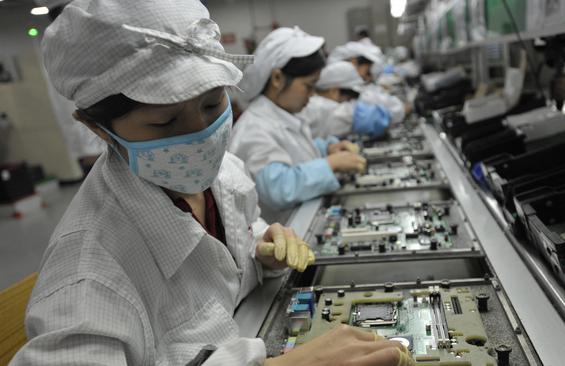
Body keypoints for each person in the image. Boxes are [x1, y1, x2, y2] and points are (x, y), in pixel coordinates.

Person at [9, 1, 411, 366]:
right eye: (165, 122)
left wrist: (260, 252)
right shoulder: (86, 279)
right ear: (97, 127)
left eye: (212, 104)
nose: (201, 134)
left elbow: (223, 262)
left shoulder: (221, 172)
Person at [229, 27, 366, 224]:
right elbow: (278, 188)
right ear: (277, 78)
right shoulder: (255, 128)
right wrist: (330, 164)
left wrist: (326, 149)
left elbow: (293, 153)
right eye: (308, 86)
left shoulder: (282, 115)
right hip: (281, 232)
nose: (312, 95)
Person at [298, 61, 391, 138]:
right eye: (347, 99)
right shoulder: (321, 108)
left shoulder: (316, 104)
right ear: (333, 91)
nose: (347, 104)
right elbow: (369, 118)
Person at [328, 41, 410, 123]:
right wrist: (400, 109)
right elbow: (365, 100)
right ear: (354, 62)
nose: (369, 77)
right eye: (368, 70)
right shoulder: (340, 81)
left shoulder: (346, 79)